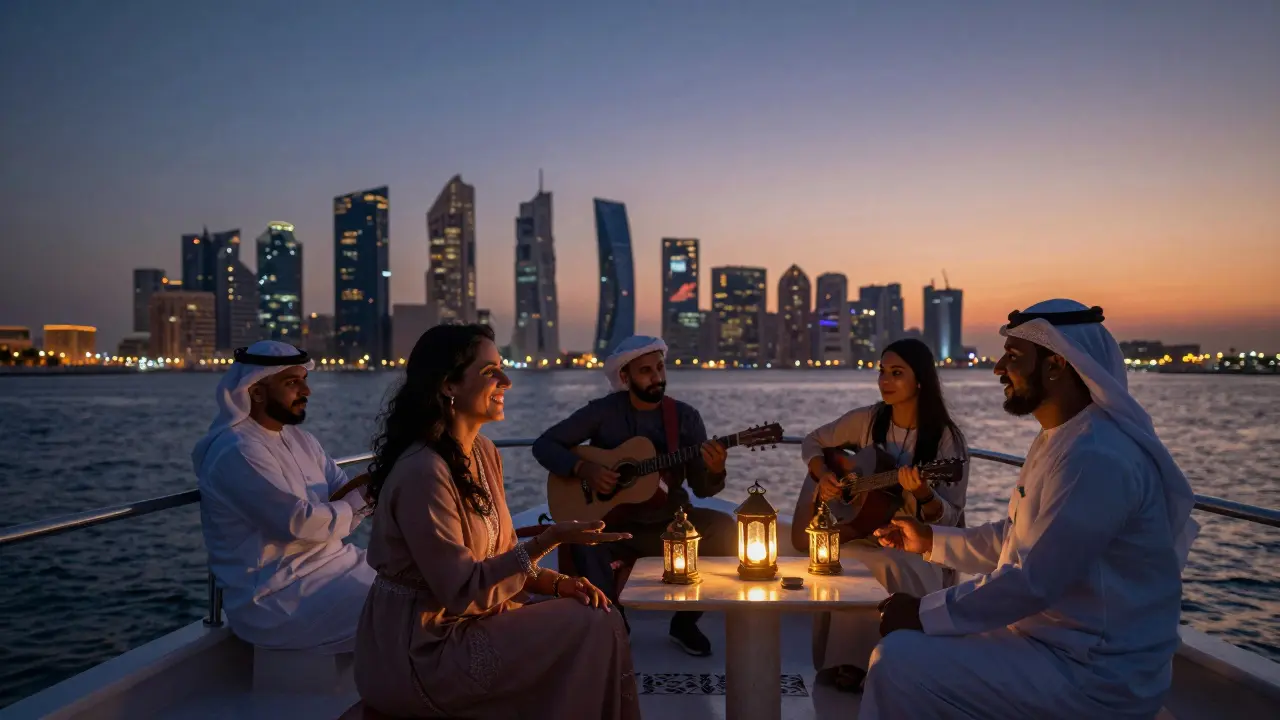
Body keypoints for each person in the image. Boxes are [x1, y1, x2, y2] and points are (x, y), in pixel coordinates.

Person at [863, 300, 1201, 719]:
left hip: (1094, 673)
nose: (998, 368)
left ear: (1056, 365)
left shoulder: (1098, 456)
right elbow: (1017, 538)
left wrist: (921, 610)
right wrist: (930, 539)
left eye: (1014, 356)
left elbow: (1035, 580)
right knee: (911, 650)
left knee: (896, 659)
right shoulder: (1062, 439)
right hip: (1052, 645)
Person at [354, 324, 640, 720]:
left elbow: (503, 558)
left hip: (474, 622)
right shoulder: (423, 472)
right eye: (491, 372)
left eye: (502, 368)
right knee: (590, 625)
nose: (507, 380)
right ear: (448, 386)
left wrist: (561, 583)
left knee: (596, 610)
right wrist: (548, 540)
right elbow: (462, 592)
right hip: (420, 651)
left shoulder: (484, 453)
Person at [531, 335, 736, 656]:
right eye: (646, 371)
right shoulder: (602, 412)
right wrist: (584, 469)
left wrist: (716, 468)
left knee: (726, 528)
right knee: (579, 536)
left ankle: (685, 623)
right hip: (612, 528)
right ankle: (613, 620)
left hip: (670, 525)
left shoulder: (684, 418)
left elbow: (702, 488)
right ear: (625, 377)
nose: (657, 377)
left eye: (660, 367)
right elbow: (544, 445)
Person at [790, 338, 969, 692]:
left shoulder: (946, 440)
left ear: (920, 381)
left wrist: (922, 493)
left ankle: (893, 660)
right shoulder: (869, 420)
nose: (885, 380)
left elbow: (949, 518)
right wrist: (822, 475)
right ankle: (848, 660)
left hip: (919, 545)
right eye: (882, 372)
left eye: (897, 373)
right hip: (865, 533)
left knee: (887, 562)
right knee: (842, 559)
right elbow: (813, 440)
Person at [192, 340, 375, 653]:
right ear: (256, 391)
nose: (306, 391)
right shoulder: (236, 451)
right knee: (410, 602)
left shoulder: (302, 440)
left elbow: (343, 490)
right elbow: (298, 523)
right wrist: (363, 500)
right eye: (292, 382)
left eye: (305, 380)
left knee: (423, 578)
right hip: (278, 598)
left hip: (336, 565)